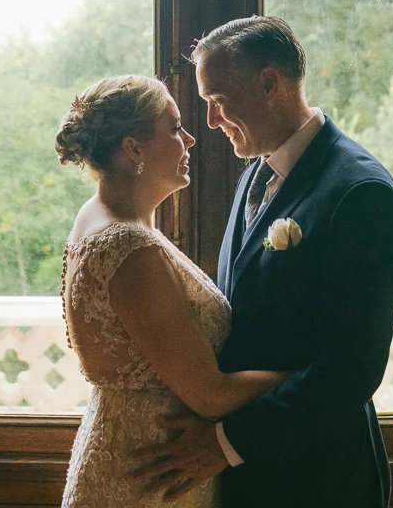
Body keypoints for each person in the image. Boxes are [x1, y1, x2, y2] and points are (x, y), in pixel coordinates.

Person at [129, 16, 393, 507]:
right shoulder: (254, 177)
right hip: (249, 478)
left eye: (217, 101)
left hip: (319, 479)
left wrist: (225, 444)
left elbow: (351, 370)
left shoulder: (360, 193)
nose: (211, 122)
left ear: (267, 85)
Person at [55, 74, 289, 508]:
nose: (190, 139)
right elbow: (210, 393)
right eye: (175, 127)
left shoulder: (100, 218)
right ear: (133, 148)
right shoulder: (128, 246)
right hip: (152, 477)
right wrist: (306, 376)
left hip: (137, 455)